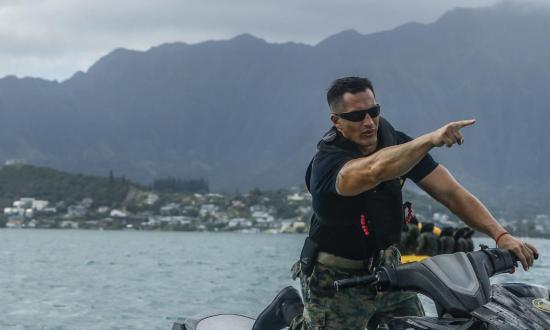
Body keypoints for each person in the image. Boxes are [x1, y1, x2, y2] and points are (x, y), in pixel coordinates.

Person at [252, 76, 538, 330]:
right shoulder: (328, 163)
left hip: (388, 268)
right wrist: (430, 139)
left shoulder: (396, 143)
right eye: (357, 115)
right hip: (335, 277)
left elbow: (451, 193)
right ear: (336, 121)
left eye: (374, 111)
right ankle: (289, 308)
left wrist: (500, 235)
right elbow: (374, 170)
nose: (369, 122)